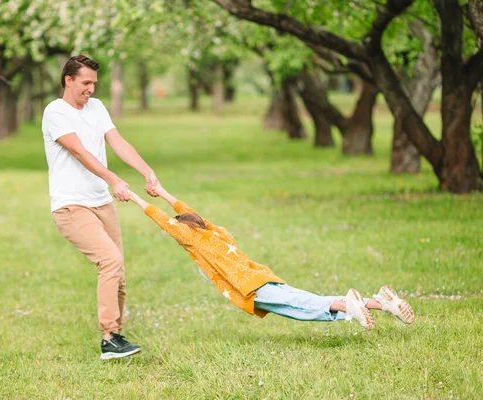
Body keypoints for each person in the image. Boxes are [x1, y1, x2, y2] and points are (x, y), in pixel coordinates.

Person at [127, 186, 414, 330]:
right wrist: (161, 191)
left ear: (182, 230)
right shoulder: (211, 230)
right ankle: (380, 303)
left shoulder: (191, 240)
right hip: (260, 275)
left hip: (247, 286)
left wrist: (134, 197)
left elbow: (164, 221)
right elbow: (184, 210)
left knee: (302, 306)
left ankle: (347, 305)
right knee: (301, 303)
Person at [41, 55, 159, 360]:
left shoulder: (97, 108)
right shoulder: (55, 112)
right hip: (72, 206)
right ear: (68, 80)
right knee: (109, 260)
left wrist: (147, 172)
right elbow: (79, 152)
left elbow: (117, 141)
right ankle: (109, 337)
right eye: (86, 83)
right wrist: (114, 180)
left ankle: (118, 334)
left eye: (94, 83)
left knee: (118, 271)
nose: (91, 89)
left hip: (101, 203)